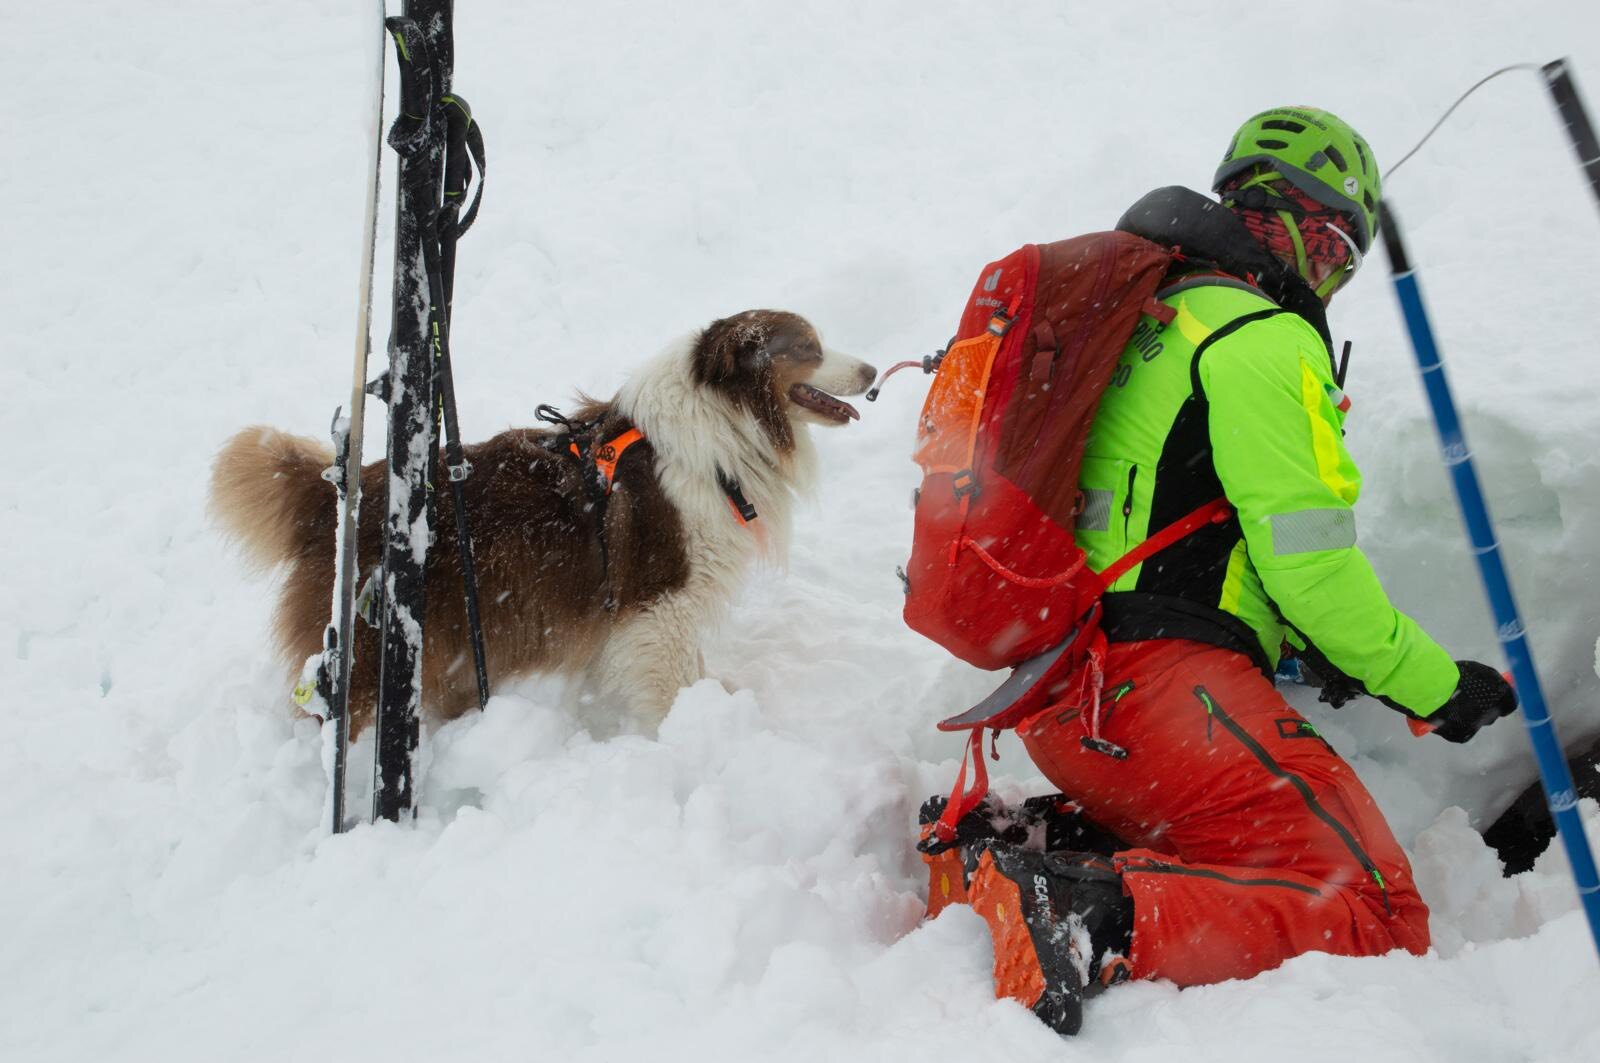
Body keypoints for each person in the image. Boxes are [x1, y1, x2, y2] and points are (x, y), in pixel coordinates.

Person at [929, 107, 1521, 1036]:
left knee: (1235, 847)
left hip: (1066, 703)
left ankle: (1013, 848)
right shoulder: (1262, 336)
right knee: (1375, 907)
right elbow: (1314, 572)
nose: (1327, 276)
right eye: (1327, 244)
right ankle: (1083, 913)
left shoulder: (1144, 319)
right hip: (1168, 700)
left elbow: (1172, 521)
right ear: (1277, 217)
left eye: (1345, 264)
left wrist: (1293, 646)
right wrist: (1438, 687)